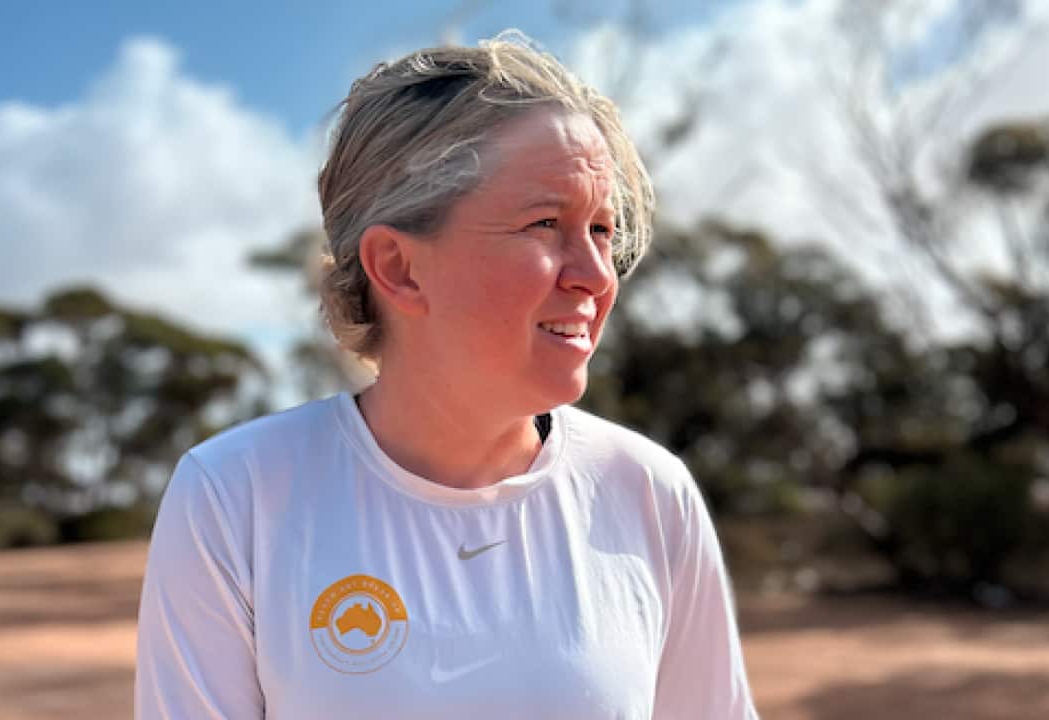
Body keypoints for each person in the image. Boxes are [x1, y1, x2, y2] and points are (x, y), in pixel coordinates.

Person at [135, 32, 758, 719]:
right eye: (545, 223)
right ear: (399, 267)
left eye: (604, 231)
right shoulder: (236, 497)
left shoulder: (647, 491)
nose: (594, 275)